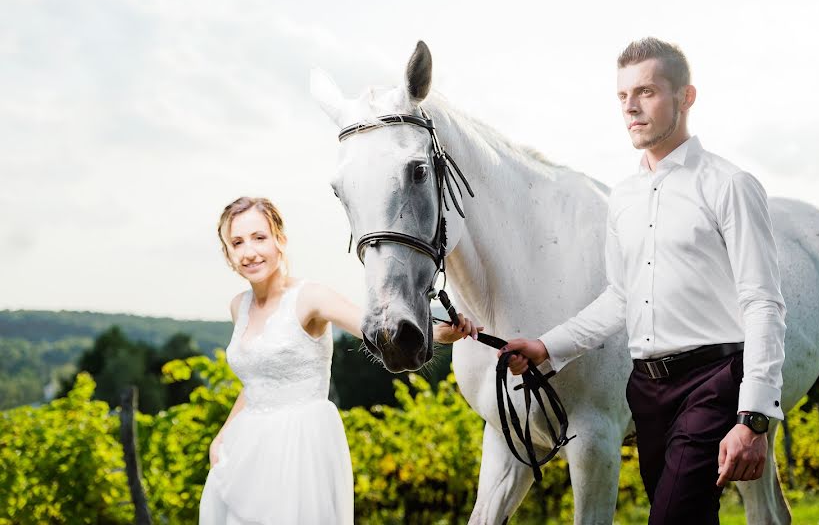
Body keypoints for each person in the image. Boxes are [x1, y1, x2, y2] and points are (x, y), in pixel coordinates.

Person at [500, 38, 786, 524]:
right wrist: (546, 346)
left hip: (713, 382)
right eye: (622, 95)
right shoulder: (624, 199)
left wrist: (754, 418)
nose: (631, 106)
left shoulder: (729, 186)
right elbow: (620, 298)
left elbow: (763, 304)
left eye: (647, 91)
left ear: (686, 97)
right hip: (647, 393)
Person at [199, 196, 478, 524]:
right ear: (228, 254)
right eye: (237, 242)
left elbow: (374, 327)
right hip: (246, 450)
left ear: (280, 240)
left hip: (299, 445)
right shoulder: (238, 306)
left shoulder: (310, 298)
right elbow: (257, 382)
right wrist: (222, 436)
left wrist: (439, 333)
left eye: (259, 237)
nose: (249, 252)